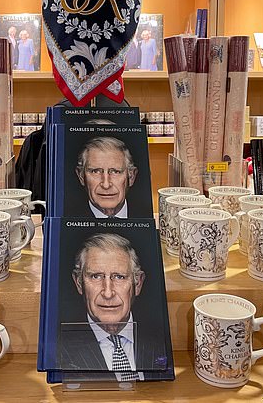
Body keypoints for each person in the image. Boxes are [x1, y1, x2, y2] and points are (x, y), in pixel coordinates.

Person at [60, 233, 165, 381]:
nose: (108, 293)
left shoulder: (160, 339)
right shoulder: (60, 348)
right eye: (96, 276)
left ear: (138, 283)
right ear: (78, 283)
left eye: (119, 277)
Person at [75, 136, 138, 218]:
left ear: (131, 176)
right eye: (96, 171)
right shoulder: (65, 218)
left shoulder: (151, 217)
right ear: (81, 176)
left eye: (115, 172)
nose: (106, 185)